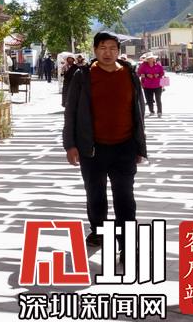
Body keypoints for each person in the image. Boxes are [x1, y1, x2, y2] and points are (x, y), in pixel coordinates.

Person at [64, 32, 147, 256]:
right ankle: (99, 230)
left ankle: (127, 244)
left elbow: (139, 111)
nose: (107, 52)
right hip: (92, 148)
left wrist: (139, 145)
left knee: (125, 197)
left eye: (112, 48)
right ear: (94, 50)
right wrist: (70, 144)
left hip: (125, 147)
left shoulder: (130, 74)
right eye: (102, 48)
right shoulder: (83, 75)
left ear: (118, 51)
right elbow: (71, 111)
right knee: (95, 194)